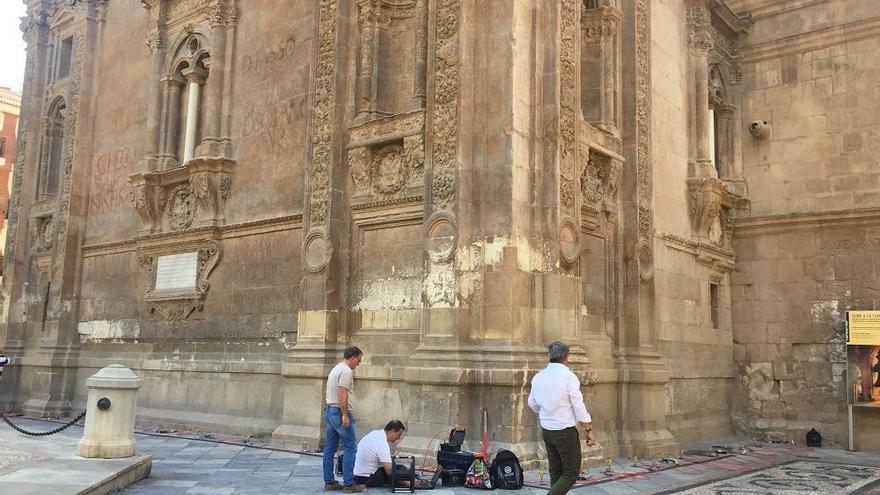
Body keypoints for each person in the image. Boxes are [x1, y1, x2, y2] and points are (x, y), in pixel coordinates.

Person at [527, 341, 595, 495]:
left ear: (549, 356)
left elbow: (532, 403)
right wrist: (588, 429)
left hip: (547, 429)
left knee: (556, 471)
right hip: (564, 430)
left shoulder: (539, 377)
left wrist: (546, 412)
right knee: (571, 473)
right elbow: (578, 405)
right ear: (567, 357)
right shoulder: (568, 377)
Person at [323, 346, 365, 492]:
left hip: (330, 409)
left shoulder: (336, 368)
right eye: (358, 361)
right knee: (351, 447)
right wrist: (345, 414)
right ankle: (348, 484)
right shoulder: (347, 371)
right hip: (339, 412)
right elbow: (342, 392)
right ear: (352, 357)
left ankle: (329, 482)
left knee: (330, 448)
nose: (358, 364)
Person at [352, 420, 408, 487]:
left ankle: (407, 480)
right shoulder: (382, 443)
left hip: (357, 476)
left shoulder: (375, 433)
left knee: (399, 468)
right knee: (400, 470)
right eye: (399, 434)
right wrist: (405, 479)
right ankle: (408, 482)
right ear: (392, 431)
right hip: (367, 478)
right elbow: (389, 471)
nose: (399, 438)